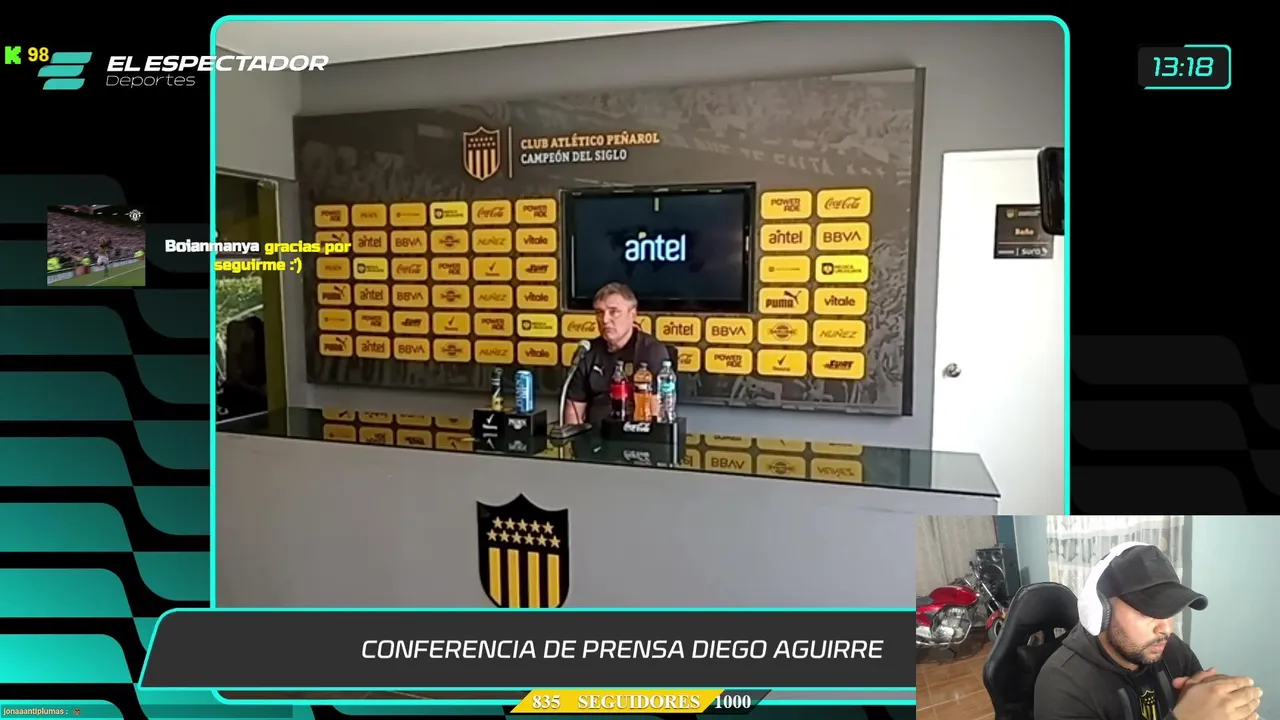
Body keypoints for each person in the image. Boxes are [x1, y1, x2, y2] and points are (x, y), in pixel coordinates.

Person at [1034, 543, 1262, 720]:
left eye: (1169, 611)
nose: (1166, 629)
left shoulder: (1172, 649)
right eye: (1147, 612)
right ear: (1100, 611)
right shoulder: (1062, 684)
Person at [563, 282, 670, 426]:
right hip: (594, 434)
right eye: (600, 313)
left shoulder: (651, 351)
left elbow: (657, 412)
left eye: (614, 312)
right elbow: (573, 410)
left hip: (635, 434)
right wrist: (574, 438)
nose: (605, 320)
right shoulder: (587, 351)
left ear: (632, 315)